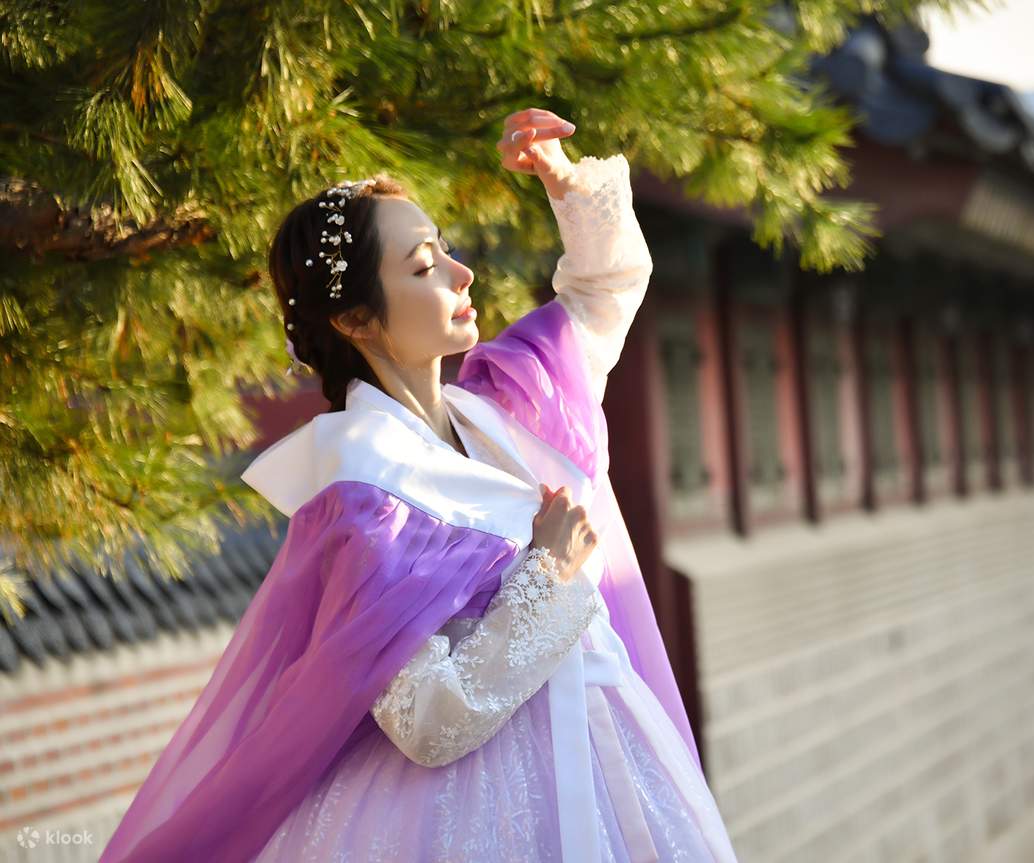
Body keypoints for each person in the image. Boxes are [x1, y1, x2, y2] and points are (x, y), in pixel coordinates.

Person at [99, 107, 740, 862]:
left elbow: (600, 299)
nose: (461, 272)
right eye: (423, 264)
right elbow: (425, 718)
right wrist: (549, 572)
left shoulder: (508, 405)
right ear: (357, 320)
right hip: (479, 815)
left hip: (611, 766)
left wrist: (565, 186)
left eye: (444, 249)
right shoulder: (369, 497)